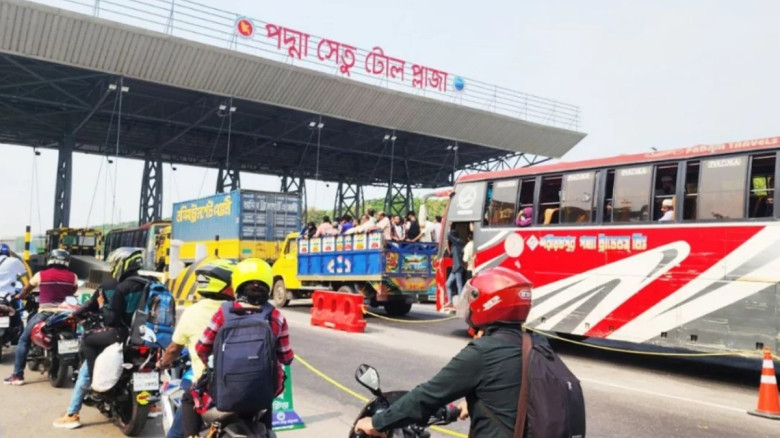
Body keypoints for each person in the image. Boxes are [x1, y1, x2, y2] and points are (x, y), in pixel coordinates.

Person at [355, 267, 534, 437]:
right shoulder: (534, 346)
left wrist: (376, 423)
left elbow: (426, 397)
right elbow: (512, 390)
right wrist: (476, 402)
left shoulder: (483, 352)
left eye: (473, 298)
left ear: (489, 304)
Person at [182, 258, 294, 436]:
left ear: (237, 285)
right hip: (263, 391)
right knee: (267, 402)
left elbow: (202, 348)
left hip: (225, 390)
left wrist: (215, 365)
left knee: (188, 397)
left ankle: (191, 435)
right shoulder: (276, 316)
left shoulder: (223, 312)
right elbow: (286, 358)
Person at [157, 259, 236, 438]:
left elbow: (173, 349)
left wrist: (162, 364)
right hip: (247, 385)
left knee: (176, 432)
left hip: (207, 386)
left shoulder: (192, 312)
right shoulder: (243, 310)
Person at [52, 278, 118, 429]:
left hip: (112, 334)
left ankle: (72, 414)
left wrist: (74, 314)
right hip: (135, 337)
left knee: (86, 372)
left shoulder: (107, 286)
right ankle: (151, 406)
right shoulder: (137, 287)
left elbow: (92, 305)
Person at [5, 249, 77, 386]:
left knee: (24, 339)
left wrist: (19, 296)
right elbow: (72, 291)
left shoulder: (41, 275)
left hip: (46, 312)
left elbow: (27, 289)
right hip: (66, 314)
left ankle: (17, 375)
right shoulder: (73, 276)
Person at [80, 247, 147, 380]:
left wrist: (101, 305)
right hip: (149, 335)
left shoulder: (122, 287)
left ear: (122, 264)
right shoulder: (150, 283)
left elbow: (112, 320)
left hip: (124, 334)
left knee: (86, 340)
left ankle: (95, 379)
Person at [444, 228, 465, 309]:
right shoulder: (453, 245)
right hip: (454, 268)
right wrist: (447, 246)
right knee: (448, 284)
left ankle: (460, 303)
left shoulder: (459, 242)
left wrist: (448, 226)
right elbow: (450, 255)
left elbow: (448, 234)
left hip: (458, 266)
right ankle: (450, 302)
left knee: (459, 285)